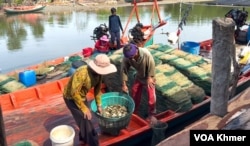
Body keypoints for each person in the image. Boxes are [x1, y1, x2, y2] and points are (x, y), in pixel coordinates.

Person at [63, 54, 117, 146]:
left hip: (82, 97)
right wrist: (84, 108)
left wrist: (99, 104)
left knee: (84, 119)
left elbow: (97, 89)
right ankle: (93, 142)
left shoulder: (99, 75)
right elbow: (74, 92)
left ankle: (83, 139)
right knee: (85, 119)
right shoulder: (82, 73)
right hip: (71, 98)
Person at [121, 43, 157, 122]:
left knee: (151, 96)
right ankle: (135, 111)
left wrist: (150, 77)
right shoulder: (127, 58)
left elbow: (152, 64)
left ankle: (152, 114)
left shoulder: (145, 53)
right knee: (134, 91)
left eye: (132, 56)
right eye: (130, 57)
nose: (131, 59)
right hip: (140, 75)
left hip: (149, 76)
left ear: (136, 51)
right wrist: (124, 84)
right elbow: (124, 70)